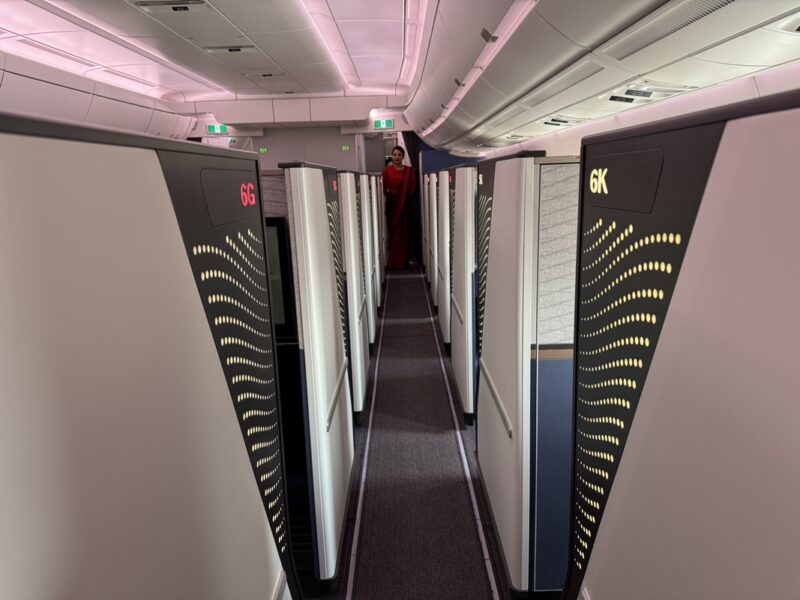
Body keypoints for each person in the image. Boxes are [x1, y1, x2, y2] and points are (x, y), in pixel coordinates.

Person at [381, 145, 417, 270]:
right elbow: (384, 188)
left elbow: (412, 187)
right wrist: (393, 197)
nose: (396, 157)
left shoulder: (409, 171)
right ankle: (394, 260)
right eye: (394, 155)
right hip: (392, 204)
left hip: (405, 206)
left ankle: (403, 260)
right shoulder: (386, 171)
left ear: (403, 157)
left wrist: (403, 196)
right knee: (394, 231)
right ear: (392, 156)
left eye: (399, 155)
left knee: (405, 232)